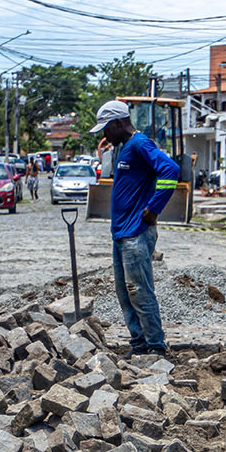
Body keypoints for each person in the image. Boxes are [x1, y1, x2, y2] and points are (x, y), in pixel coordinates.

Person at [91, 99, 179, 356]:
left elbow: (170, 170)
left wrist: (153, 208)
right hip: (121, 233)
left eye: (106, 129)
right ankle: (138, 344)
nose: (105, 135)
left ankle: (155, 345)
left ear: (119, 123)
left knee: (139, 291)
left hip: (136, 233)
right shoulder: (124, 147)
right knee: (126, 293)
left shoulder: (140, 144)